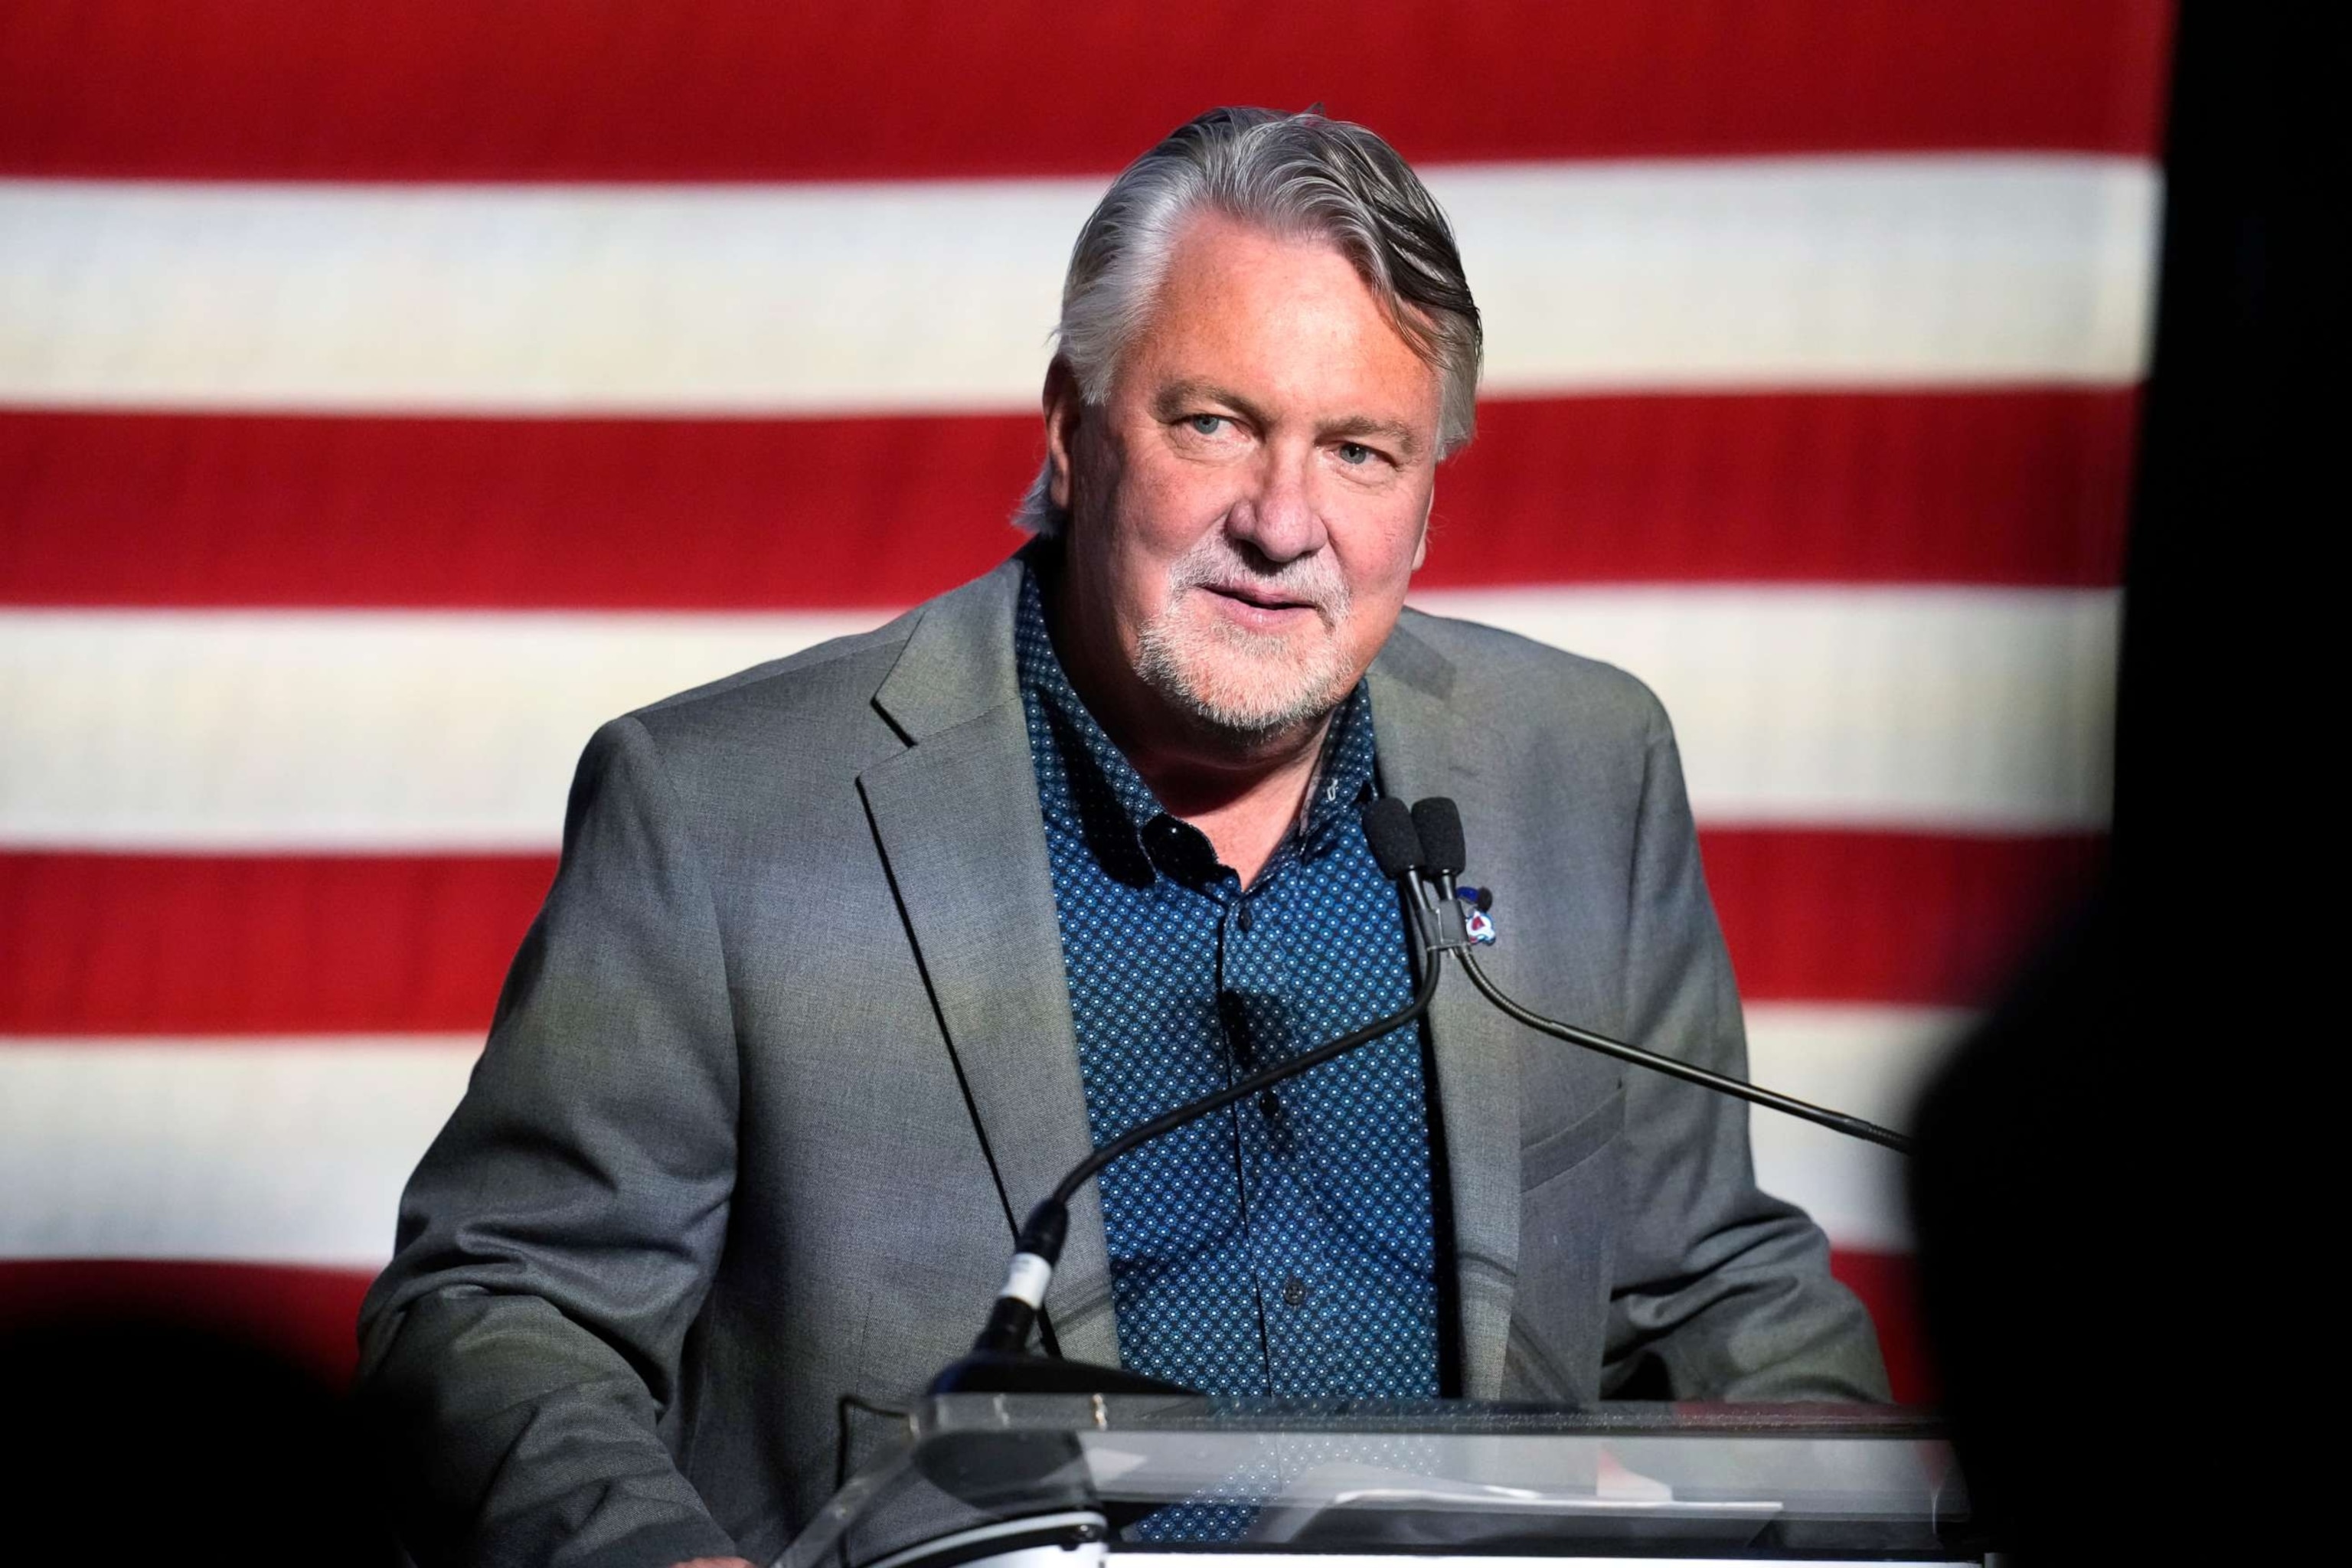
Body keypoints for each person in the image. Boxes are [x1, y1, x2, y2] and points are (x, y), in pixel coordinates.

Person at [358, 107, 1886, 1568]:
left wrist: (1865, 1530)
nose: (1285, 524)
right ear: (1077, 433)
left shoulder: (1578, 772)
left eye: (1361, 451)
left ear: (1427, 502)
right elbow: (502, 1305)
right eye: (1217, 424)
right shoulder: (728, 813)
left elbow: (1712, 1285)